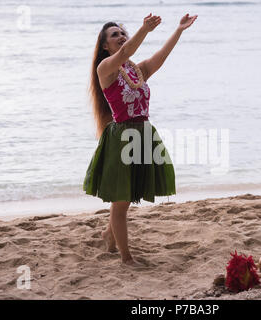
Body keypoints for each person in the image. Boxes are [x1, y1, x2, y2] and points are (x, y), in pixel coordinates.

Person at [83, 13, 198, 265]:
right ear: (105, 45)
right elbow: (124, 52)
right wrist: (144, 30)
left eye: (123, 32)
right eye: (115, 35)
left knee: (129, 193)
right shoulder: (105, 69)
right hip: (122, 140)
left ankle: (108, 235)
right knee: (121, 202)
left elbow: (160, 58)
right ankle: (126, 257)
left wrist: (179, 30)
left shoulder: (135, 71)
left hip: (143, 135)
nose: (121, 36)